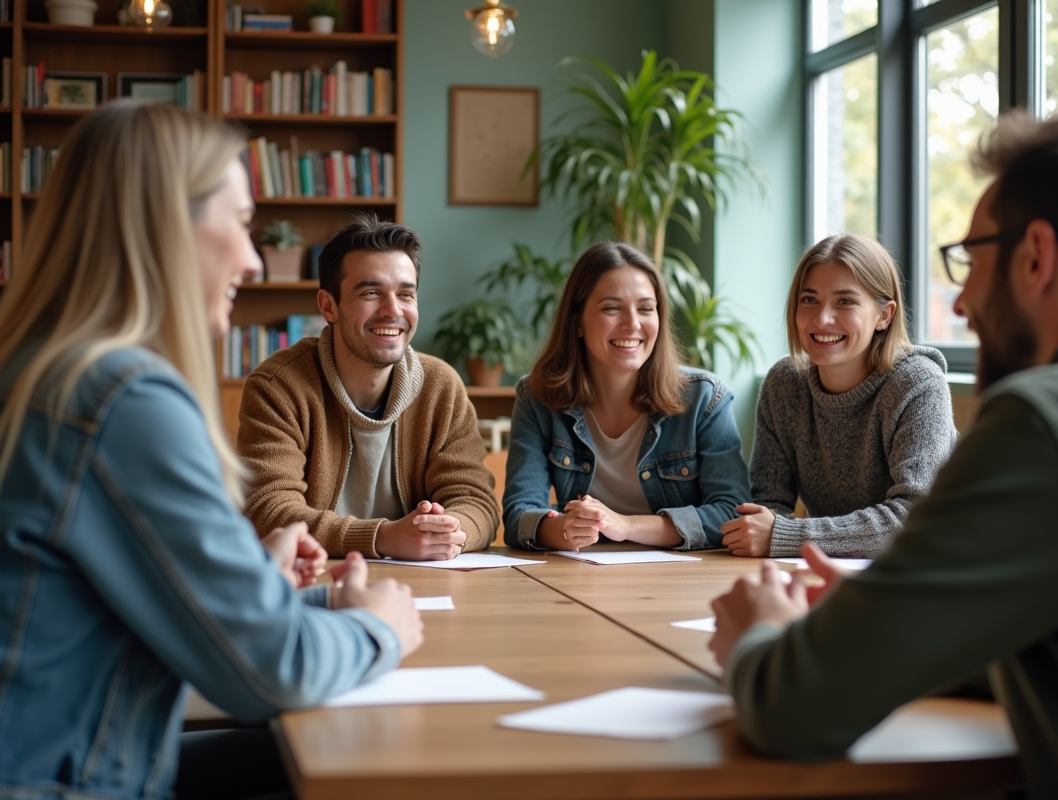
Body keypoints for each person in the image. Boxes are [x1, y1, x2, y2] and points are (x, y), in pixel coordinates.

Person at [710, 105, 1058, 798]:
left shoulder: (1049, 424)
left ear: (1036, 255)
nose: (962, 301)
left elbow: (795, 708)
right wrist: (895, 608)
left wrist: (763, 636)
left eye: (969, 262)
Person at [0, 101, 423, 800]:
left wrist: (251, 578)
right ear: (166, 225)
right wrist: (378, 627)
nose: (255, 260)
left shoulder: (45, 372)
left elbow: (100, 597)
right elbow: (269, 670)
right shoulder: (122, 399)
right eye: (242, 224)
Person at [238, 214, 501, 561]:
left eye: (406, 294)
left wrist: (447, 530)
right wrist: (383, 537)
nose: (393, 311)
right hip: (315, 584)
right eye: (371, 292)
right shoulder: (279, 387)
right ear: (328, 306)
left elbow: (476, 500)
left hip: (426, 584)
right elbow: (268, 510)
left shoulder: (442, 387)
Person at [503, 241, 750, 551]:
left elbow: (733, 512)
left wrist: (625, 526)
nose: (632, 324)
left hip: (685, 581)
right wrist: (565, 529)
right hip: (581, 576)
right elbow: (518, 516)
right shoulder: (538, 396)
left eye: (646, 308)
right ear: (577, 321)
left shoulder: (704, 398)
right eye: (612, 308)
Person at [720, 234, 956, 558]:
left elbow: (914, 518)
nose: (822, 319)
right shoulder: (785, 384)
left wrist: (789, 536)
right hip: (835, 574)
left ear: (884, 316)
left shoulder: (918, 385)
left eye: (845, 301)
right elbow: (767, 508)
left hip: (936, 571)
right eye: (809, 300)